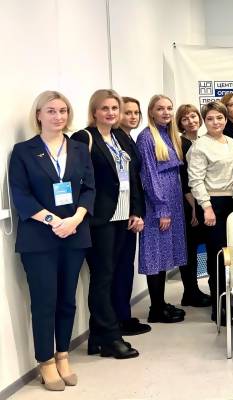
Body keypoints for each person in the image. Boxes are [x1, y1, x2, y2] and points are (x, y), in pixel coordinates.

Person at [9, 91, 94, 390]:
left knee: (67, 300)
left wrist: (75, 219)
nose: (58, 116)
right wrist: (54, 221)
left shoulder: (80, 149)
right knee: (45, 301)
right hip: (39, 238)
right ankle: (45, 361)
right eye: (51, 111)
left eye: (63, 111)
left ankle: (63, 356)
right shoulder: (24, 151)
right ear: (39, 115)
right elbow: (21, 195)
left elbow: (89, 189)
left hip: (74, 233)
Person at [72, 89, 144, 359]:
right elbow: (79, 179)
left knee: (112, 276)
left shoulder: (119, 137)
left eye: (115, 108)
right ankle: (111, 337)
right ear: (94, 111)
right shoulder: (84, 138)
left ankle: (97, 338)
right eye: (105, 108)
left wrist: (136, 211)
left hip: (123, 217)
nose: (111, 113)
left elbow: (132, 176)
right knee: (102, 278)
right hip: (99, 219)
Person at [187, 101, 233, 324]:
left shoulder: (231, 142)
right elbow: (195, 180)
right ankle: (217, 307)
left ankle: (227, 300)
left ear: (225, 119)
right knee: (217, 257)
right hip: (213, 204)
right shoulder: (200, 146)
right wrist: (207, 207)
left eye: (219, 118)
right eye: (210, 119)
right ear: (204, 121)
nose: (215, 122)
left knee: (232, 254)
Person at [136, 94, 187, 324]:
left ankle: (160, 303)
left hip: (173, 201)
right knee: (155, 254)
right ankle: (155, 309)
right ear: (151, 112)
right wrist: (161, 208)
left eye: (169, 108)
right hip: (158, 204)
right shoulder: (147, 137)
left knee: (165, 253)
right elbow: (149, 176)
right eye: (160, 108)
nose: (166, 112)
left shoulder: (168, 134)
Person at [109, 95, 156, 334]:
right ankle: (117, 320)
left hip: (130, 213)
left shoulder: (129, 139)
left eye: (136, 113)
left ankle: (123, 316)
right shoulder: (115, 139)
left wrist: (137, 211)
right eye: (127, 112)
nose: (133, 116)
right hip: (117, 215)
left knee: (125, 267)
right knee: (117, 269)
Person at [175, 104, 213, 308]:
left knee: (203, 247)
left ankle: (197, 290)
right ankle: (190, 292)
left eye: (193, 116)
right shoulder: (179, 144)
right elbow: (185, 180)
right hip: (190, 204)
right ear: (180, 123)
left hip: (202, 201)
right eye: (185, 119)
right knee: (189, 249)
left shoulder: (203, 140)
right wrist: (194, 209)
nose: (191, 121)